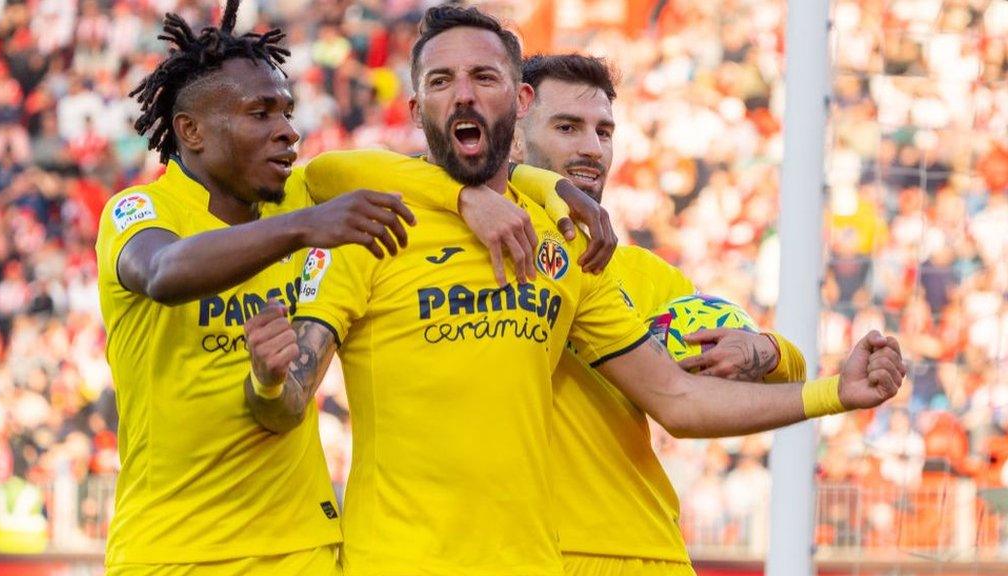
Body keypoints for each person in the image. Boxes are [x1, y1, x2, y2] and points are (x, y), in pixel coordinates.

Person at [242, 6, 906, 575]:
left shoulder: (569, 254)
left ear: (516, 101)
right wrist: (270, 381)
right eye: (442, 82)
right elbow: (286, 394)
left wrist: (830, 392)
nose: (464, 95)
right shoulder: (372, 227)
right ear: (418, 109)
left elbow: (675, 394)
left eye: (484, 77)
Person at [95, 2, 418, 574]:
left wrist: (531, 189)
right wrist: (300, 230)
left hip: (303, 548)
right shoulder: (141, 210)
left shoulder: (305, 191)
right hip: (175, 550)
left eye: (288, 112)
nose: (288, 131)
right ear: (190, 131)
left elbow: (425, 175)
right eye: (260, 113)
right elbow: (165, 272)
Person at [510, 53, 806, 575]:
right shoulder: (466, 248)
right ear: (514, 134)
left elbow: (769, 374)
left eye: (604, 132)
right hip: (518, 553)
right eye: (567, 127)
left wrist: (763, 350)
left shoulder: (643, 273)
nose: (591, 147)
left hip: (646, 554)